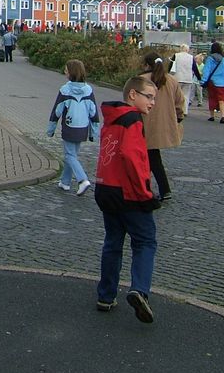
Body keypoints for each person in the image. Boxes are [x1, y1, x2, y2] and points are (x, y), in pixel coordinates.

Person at [95, 75, 161, 323]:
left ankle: (106, 294)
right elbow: (133, 158)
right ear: (133, 95)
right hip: (128, 193)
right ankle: (139, 289)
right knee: (145, 241)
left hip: (106, 188)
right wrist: (145, 193)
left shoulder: (112, 118)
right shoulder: (133, 120)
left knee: (113, 241)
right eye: (149, 97)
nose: (152, 103)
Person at [46, 59, 101, 196]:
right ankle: (65, 182)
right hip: (83, 127)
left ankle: (82, 180)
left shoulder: (65, 90)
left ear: (71, 73)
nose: (64, 72)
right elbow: (94, 113)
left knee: (70, 155)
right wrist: (94, 133)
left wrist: (51, 129)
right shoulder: (88, 90)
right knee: (72, 155)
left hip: (69, 127)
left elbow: (56, 111)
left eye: (66, 70)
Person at [139, 51, 185, 200]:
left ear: (146, 64)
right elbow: (180, 103)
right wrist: (178, 118)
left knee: (142, 159)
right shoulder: (171, 80)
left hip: (142, 125)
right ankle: (164, 189)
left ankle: (144, 189)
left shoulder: (141, 80)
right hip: (162, 126)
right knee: (154, 158)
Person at [199, 42, 224, 123]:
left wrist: (203, 81)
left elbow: (206, 71)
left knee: (212, 98)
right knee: (221, 99)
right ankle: (222, 116)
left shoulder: (209, 59)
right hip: (223, 83)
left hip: (212, 82)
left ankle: (212, 116)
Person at [171, 44, 200, 113]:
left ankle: (176, 109)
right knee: (186, 95)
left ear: (180, 49)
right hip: (188, 79)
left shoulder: (176, 55)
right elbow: (195, 68)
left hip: (177, 78)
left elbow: (171, 66)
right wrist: (199, 78)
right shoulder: (191, 57)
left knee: (176, 95)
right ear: (188, 50)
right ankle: (185, 111)